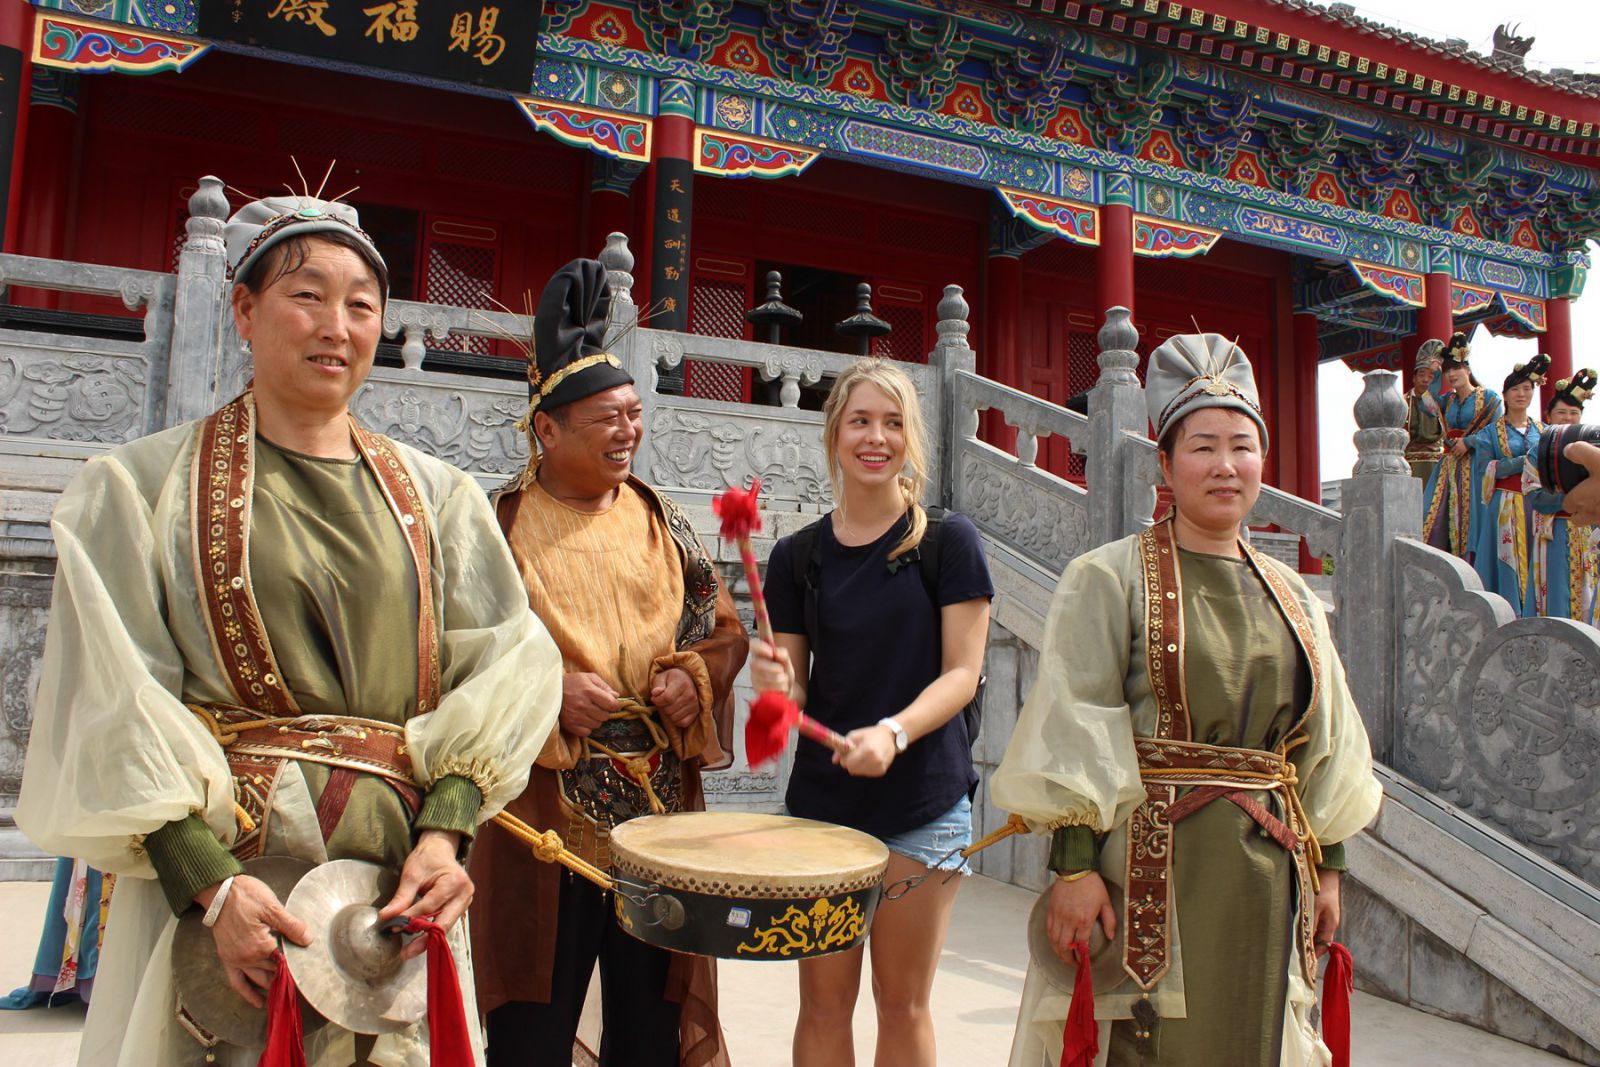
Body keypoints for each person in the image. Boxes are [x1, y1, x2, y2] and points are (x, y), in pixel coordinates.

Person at [14, 188, 563, 1065]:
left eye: (361, 305)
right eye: (307, 296)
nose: (336, 327)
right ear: (244, 308)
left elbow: (507, 663)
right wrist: (207, 883)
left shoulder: (441, 498)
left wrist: (446, 831)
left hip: (394, 879)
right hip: (234, 887)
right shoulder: (140, 488)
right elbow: (112, 701)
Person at [990, 334, 1381, 1067]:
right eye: (1203, 447)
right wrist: (1073, 868)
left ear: (1263, 462)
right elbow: (1077, 720)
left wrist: (1329, 866)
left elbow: (1328, 740)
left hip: (1268, 871)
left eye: (1242, 446)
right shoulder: (1108, 577)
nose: (1225, 465)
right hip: (1148, 868)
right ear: (1166, 465)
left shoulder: (1294, 595)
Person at [467, 260, 748, 1067]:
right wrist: (547, 689)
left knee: (649, 1033)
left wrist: (693, 678)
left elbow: (723, 628)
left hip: (657, 818)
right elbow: (457, 648)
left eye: (634, 414)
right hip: (540, 822)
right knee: (531, 1031)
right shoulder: (497, 524)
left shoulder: (664, 520)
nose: (628, 432)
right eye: (606, 418)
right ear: (547, 430)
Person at [749, 357, 993, 1067]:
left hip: (923, 802)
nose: (875, 437)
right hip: (825, 806)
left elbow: (963, 674)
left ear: (910, 437)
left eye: (892, 423)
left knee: (901, 1002)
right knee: (823, 1005)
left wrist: (893, 732)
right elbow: (792, 695)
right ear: (835, 434)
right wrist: (773, 684)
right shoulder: (796, 557)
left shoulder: (947, 541)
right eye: (859, 421)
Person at [1466, 355, 1547, 606]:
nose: (1521, 394)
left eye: (1527, 389)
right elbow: (1485, 469)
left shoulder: (1543, 431)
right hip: (1504, 504)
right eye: (1515, 389)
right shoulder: (1489, 434)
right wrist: (1524, 461)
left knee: (1539, 558)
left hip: (1537, 504)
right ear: (1505, 395)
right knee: (1505, 559)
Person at [1524, 369, 1598, 623]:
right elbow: (1534, 494)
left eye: (1573, 413)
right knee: (1554, 594)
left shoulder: (1593, 446)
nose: (1568, 418)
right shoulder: (1537, 452)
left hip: (1588, 532)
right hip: (1553, 531)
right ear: (1548, 416)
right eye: (1561, 412)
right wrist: (1572, 500)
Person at [1422, 332, 1502, 559]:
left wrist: (1469, 442)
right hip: (1449, 465)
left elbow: (1497, 431)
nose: (1451, 374)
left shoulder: (1488, 398)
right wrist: (1436, 375)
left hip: (1477, 465)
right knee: (1435, 514)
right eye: (1447, 371)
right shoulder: (1447, 400)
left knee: (1473, 516)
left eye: (1456, 369)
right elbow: (1425, 404)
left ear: (1467, 369)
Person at [1405, 340, 1446, 482]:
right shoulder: (1403, 403)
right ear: (1414, 378)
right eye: (1422, 375)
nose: (1426, 380)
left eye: (1431, 376)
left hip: (1437, 463)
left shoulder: (1437, 403)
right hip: (1411, 463)